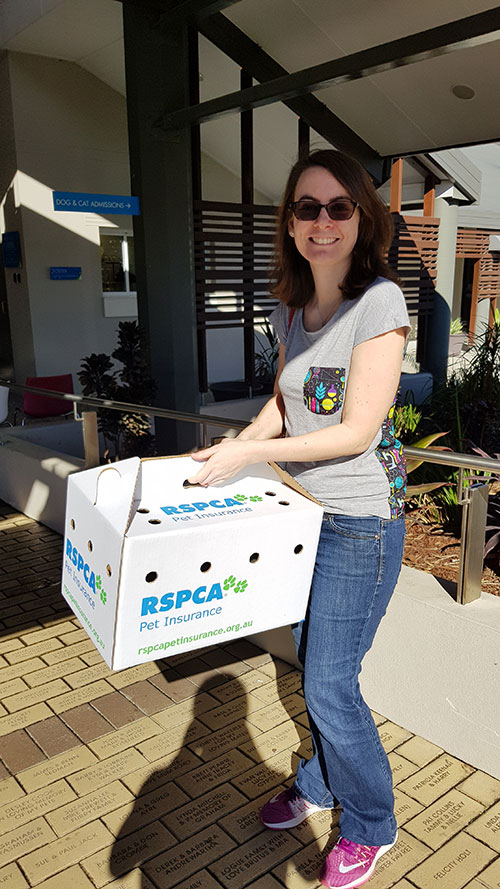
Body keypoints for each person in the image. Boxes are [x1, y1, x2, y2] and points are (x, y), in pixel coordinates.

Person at [189, 149, 410, 889]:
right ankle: (319, 781)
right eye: (307, 208)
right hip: (302, 516)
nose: (323, 222)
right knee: (316, 667)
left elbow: (356, 431)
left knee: (328, 685)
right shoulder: (291, 306)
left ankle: (372, 822)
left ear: (362, 219)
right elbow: (282, 404)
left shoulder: (379, 303)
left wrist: (252, 455)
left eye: (339, 208)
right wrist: (232, 447)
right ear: (289, 222)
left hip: (360, 522)